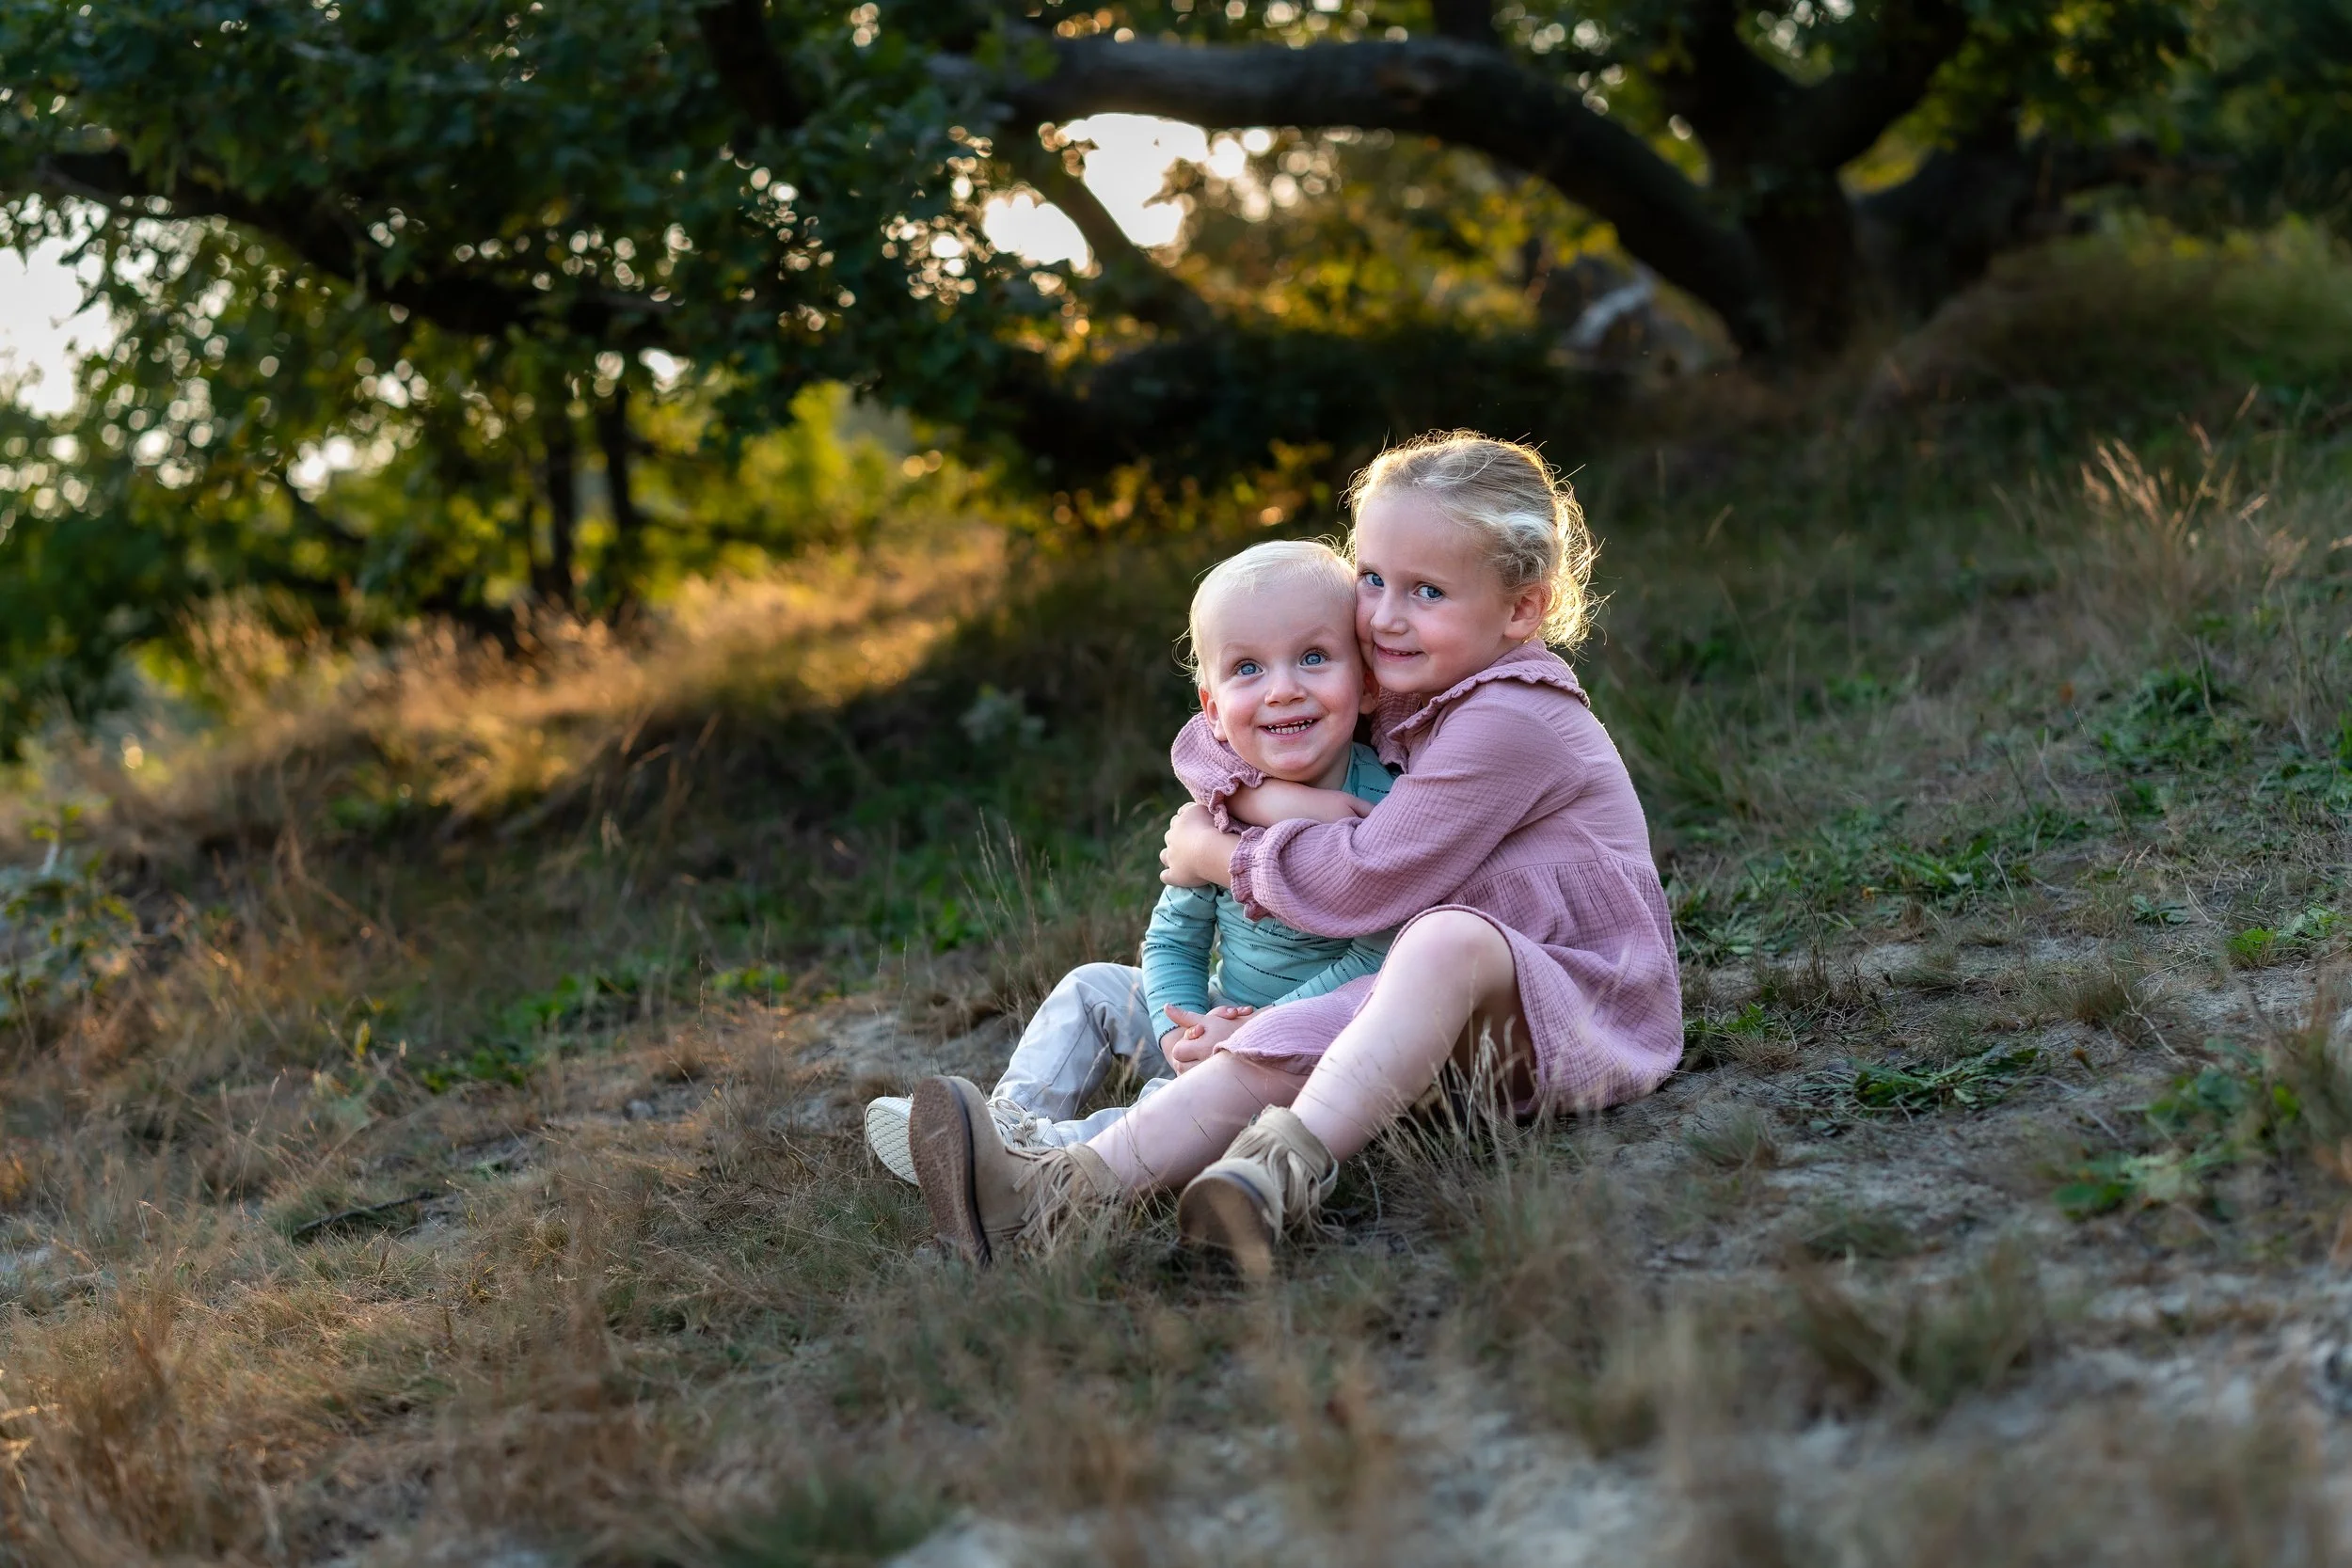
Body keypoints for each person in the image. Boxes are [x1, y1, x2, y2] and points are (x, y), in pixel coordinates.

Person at [906, 431, 1682, 1274]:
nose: (1386, 615)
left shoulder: (1510, 717)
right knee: (1287, 1027)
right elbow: (1216, 737)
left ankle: (1271, 1171)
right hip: (1425, 1005)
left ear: (1522, 610)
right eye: (1375, 579)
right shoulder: (1417, 669)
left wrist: (1222, 856)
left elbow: (1363, 883)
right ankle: (1049, 1188)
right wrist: (1263, 797)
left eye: (1427, 589)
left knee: (1430, 944)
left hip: (1573, 1003)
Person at [862, 540, 1398, 1185]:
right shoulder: (1223, 804)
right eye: (1248, 669)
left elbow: (1374, 959)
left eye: (1314, 658)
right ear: (1214, 710)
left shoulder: (1386, 807)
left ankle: (1040, 1160)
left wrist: (1253, 1030)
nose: (1283, 689)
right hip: (1217, 1009)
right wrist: (1180, 1023)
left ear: (1366, 682)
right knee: (1091, 986)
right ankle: (1010, 1117)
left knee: (1182, 1107)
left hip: (1308, 1038)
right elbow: (1176, 932)